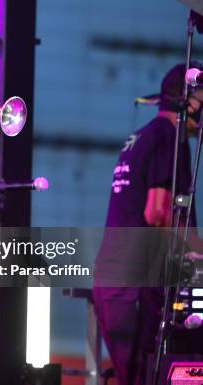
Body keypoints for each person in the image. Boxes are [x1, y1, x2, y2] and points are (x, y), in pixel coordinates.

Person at [93, 63, 203, 385]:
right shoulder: (170, 137)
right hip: (136, 288)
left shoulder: (141, 138)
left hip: (114, 283)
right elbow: (157, 213)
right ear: (191, 100)